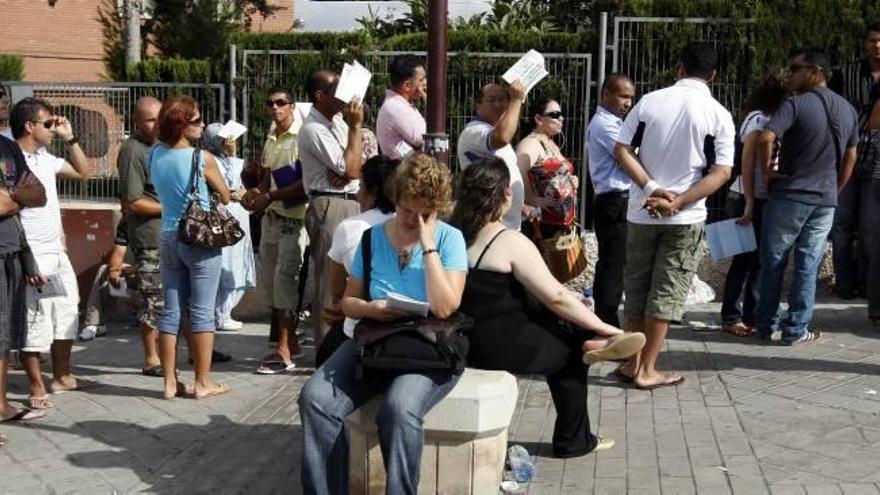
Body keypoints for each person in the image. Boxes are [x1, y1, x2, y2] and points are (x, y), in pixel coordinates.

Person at [450, 157, 646, 458]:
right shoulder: (508, 241)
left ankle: (593, 338)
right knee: (569, 356)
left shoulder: (449, 235)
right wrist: (603, 323)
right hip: (503, 345)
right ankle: (574, 440)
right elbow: (555, 295)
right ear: (505, 195)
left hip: (464, 340)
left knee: (562, 325)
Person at [298, 154, 467, 494]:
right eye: (407, 210)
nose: (413, 220)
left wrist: (428, 245)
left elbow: (446, 306)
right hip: (378, 336)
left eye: (425, 214)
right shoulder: (372, 238)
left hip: (427, 347)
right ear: (396, 199)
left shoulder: (449, 239)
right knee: (314, 399)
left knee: (399, 408)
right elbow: (347, 301)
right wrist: (372, 309)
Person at [613, 43, 735, 389]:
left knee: (636, 287)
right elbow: (722, 172)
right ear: (713, 75)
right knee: (667, 291)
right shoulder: (718, 114)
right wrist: (678, 201)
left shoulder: (649, 101)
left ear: (679, 68)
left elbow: (622, 149)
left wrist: (651, 188)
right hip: (685, 217)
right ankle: (647, 370)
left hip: (641, 211)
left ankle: (631, 364)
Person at [755, 48, 859, 345]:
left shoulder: (795, 104)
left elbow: (765, 137)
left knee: (774, 259)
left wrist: (766, 172)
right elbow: (851, 155)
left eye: (795, 68)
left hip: (789, 194)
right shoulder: (848, 109)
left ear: (815, 71)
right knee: (808, 263)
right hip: (825, 199)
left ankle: (765, 325)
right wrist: (837, 186)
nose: (790, 74)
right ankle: (797, 329)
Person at [149, 95, 231, 400]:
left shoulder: (155, 154)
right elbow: (223, 195)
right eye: (196, 120)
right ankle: (203, 382)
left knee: (170, 311)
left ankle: (169, 382)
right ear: (181, 126)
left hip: (169, 234)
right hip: (198, 236)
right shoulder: (201, 158)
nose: (202, 125)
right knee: (202, 311)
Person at [12, 97, 91, 411]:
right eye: (48, 123)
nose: (53, 127)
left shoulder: (46, 158)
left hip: (57, 251)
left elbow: (83, 173)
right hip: (31, 252)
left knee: (67, 310)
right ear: (30, 126)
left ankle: (62, 375)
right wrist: (26, 256)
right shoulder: (11, 160)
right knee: (35, 321)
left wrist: (69, 138)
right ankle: (36, 383)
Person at [241, 86, 307, 374]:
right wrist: (253, 194)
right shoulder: (271, 137)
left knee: (284, 281)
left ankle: (282, 350)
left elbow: (305, 183)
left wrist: (270, 196)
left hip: (295, 218)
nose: (275, 108)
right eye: (271, 103)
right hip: (270, 218)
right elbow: (267, 180)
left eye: (281, 102)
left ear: (291, 106)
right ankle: (289, 341)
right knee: (269, 281)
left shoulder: (303, 136)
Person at [719, 71, 788, 336]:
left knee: (757, 260)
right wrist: (749, 202)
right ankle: (731, 316)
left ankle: (751, 314)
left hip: (760, 198)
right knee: (744, 260)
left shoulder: (769, 119)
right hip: (747, 197)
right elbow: (746, 164)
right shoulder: (759, 120)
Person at [298, 69, 365, 345]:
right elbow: (350, 167)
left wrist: (351, 165)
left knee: (351, 274)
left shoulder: (337, 121)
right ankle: (326, 347)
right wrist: (355, 131)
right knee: (329, 279)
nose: (345, 93)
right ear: (320, 95)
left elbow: (356, 164)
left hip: (349, 200)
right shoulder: (314, 129)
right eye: (337, 88)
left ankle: (344, 340)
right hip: (329, 204)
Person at [317, 154, 398, 367]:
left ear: (374, 194)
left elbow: (336, 293)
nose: (357, 194)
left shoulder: (351, 228)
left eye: (361, 187)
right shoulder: (415, 229)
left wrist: (346, 307)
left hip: (363, 327)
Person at [117, 96, 168, 376]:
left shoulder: (160, 147)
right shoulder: (132, 150)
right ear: (135, 121)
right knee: (152, 300)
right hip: (149, 238)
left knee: (172, 299)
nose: (157, 124)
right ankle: (151, 359)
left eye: (159, 118)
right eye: (150, 119)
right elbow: (133, 201)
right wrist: (172, 207)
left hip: (170, 236)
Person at [0, 134, 48, 431]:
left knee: (4, 335)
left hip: (11, 251)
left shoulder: (6, 146)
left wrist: (11, 195)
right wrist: (19, 195)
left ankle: (1, 405)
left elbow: (39, 194)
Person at [829, 23, 880, 299]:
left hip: (878, 162)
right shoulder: (846, 74)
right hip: (846, 156)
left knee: (871, 228)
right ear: (865, 43)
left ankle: (866, 284)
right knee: (842, 224)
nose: (877, 46)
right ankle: (844, 283)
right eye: (873, 40)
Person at [586, 73, 635, 328]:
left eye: (630, 98)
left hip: (616, 201)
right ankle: (606, 322)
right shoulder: (606, 124)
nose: (627, 103)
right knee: (612, 264)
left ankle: (606, 319)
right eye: (623, 96)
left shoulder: (613, 122)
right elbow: (629, 159)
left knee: (615, 262)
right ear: (606, 94)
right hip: (614, 201)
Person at [202, 123, 255, 332]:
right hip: (225, 221)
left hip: (237, 218)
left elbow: (239, 186)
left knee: (237, 264)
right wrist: (232, 156)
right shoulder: (211, 159)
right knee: (227, 266)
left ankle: (225, 312)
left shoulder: (222, 160)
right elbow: (230, 185)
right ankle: (221, 314)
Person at [457, 81, 529, 230]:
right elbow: (502, 137)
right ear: (477, 105)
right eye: (491, 100)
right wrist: (516, 100)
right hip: (486, 227)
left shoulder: (493, 132)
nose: (498, 104)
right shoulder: (474, 131)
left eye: (503, 100)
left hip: (506, 225)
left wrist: (521, 206)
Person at [516, 96, 578, 239]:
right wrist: (534, 200)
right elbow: (516, 175)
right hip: (543, 223)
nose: (561, 118)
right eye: (555, 115)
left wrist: (571, 181)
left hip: (560, 221)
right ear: (538, 119)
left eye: (561, 114)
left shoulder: (549, 142)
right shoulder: (530, 144)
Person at [80, 216, 136, 341]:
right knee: (103, 270)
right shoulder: (126, 223)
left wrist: (130, 270)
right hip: (135, 272)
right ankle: (94, 324)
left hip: (157, 272)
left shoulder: (160, 222)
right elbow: (118, 251)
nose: (124, 209)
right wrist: (115, 270)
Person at [376, 54, 427, 159]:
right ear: (407, 86)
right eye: (421, 80)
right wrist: (431, 104)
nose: (425, 83)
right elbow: (423, 138)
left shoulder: (401, 104)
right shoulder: (396, 107)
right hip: (404, 172)